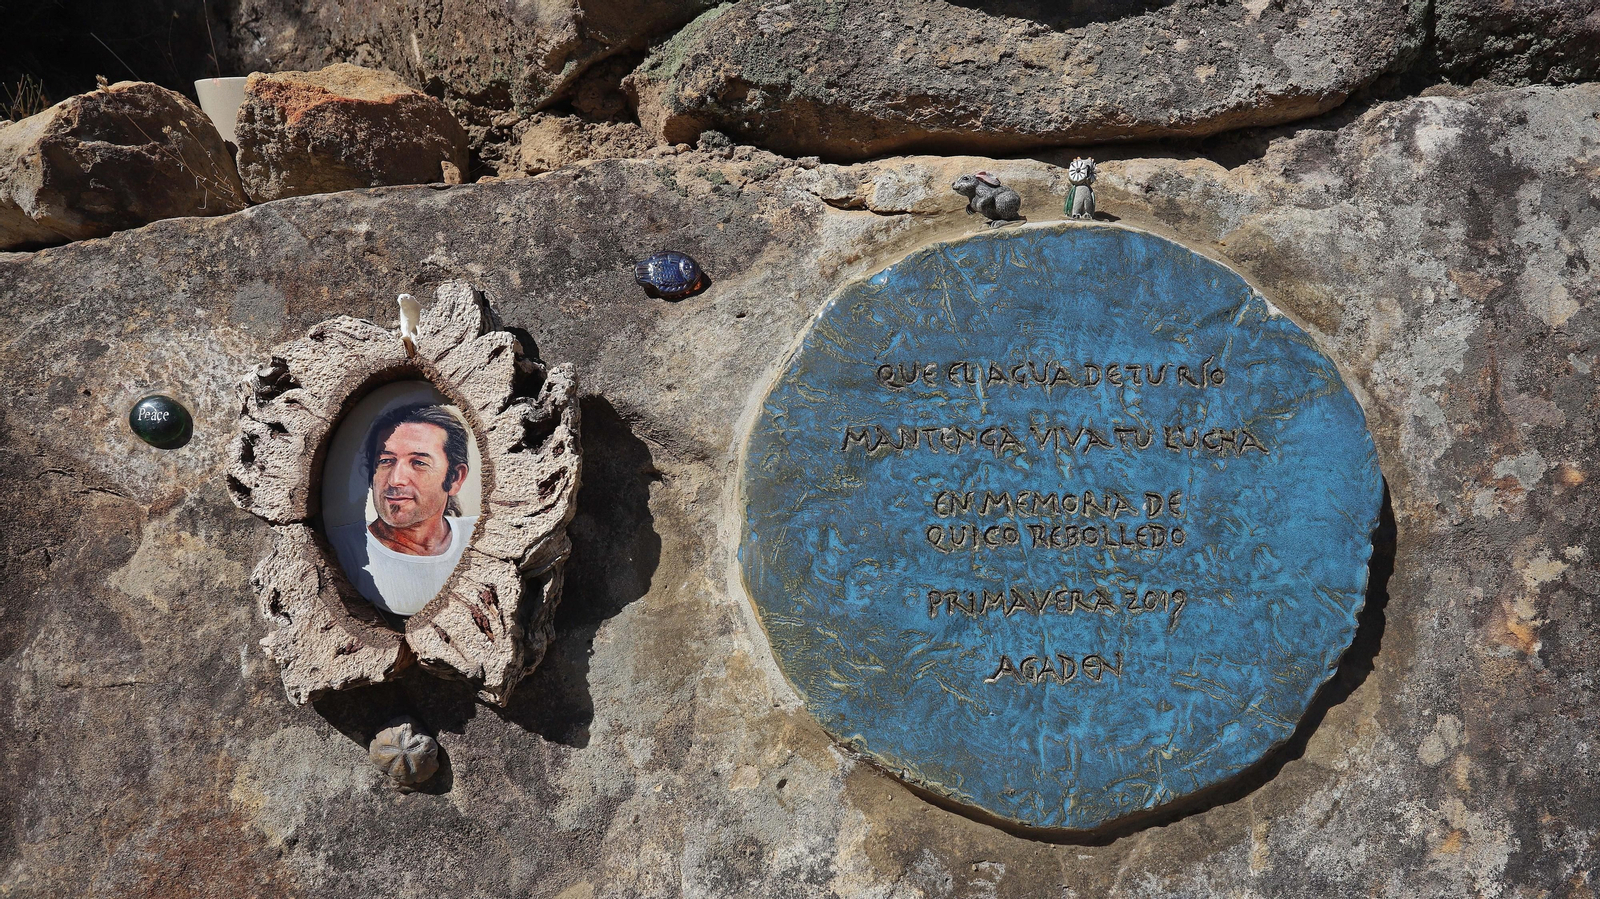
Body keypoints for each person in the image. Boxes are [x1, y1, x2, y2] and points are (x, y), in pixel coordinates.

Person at [327, 403, 477, 616]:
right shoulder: (341, 548)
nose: (396, 479)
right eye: (386, 461)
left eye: (419, 463)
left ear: (454, 478)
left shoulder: (481, 538)